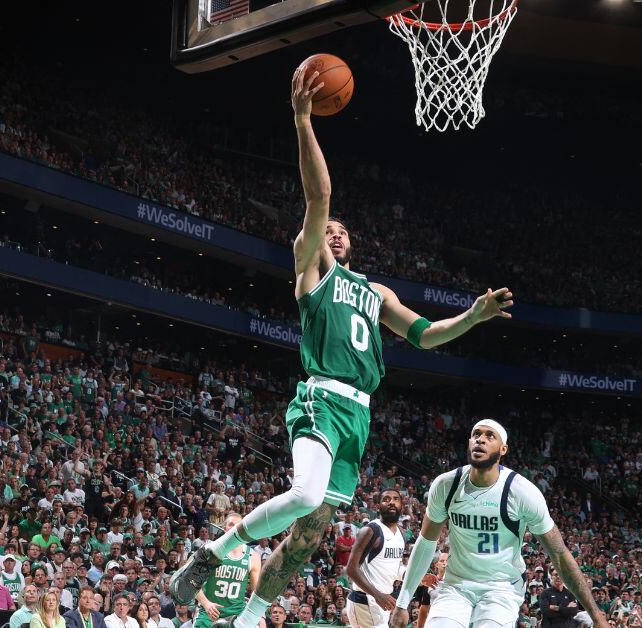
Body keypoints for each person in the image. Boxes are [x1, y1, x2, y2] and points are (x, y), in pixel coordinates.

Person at [170, 66, 515, 628]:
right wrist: (304, 119)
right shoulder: (313, 275)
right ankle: (217, 550)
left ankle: (249, 617)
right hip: (322, 401)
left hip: (359, 416)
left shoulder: (376, 293)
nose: (334, 233)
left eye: (342, 232)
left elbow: (426, 335)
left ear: (354, 243)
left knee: (306, 540)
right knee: (305, 495)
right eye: (326, 229)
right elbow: (320, 195)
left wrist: (473, 316)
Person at [388, 420, 607, 628]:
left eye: (489, 436)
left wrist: (596, 615)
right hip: (456, 585)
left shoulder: (522, 491)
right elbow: (426, 543)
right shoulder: (446, 485)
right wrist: (402, 602)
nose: (480, 440)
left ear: (503, 449)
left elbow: (559, 554)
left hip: (501, 587)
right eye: (476, 435)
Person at [345, 490, 405, 628]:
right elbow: (351, 569)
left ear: (401, 505)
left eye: (396, 499)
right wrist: (378, 595)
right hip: (365, 601)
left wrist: (414, 576)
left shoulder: (401, 533)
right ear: (378, 507)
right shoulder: (370, 531)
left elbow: (394, 568)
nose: (391, 502)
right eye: (386, 499)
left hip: (382, 602)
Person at [193, 514, 260, 628]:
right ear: (224, 529)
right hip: (208, 612)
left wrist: (259, 617)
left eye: (238, 525)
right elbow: (191, 582)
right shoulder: (210, 550)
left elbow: (255, 592)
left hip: (237, 614)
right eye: (231, 525)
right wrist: (206, 603)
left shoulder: (253, 556)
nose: (235, 528)